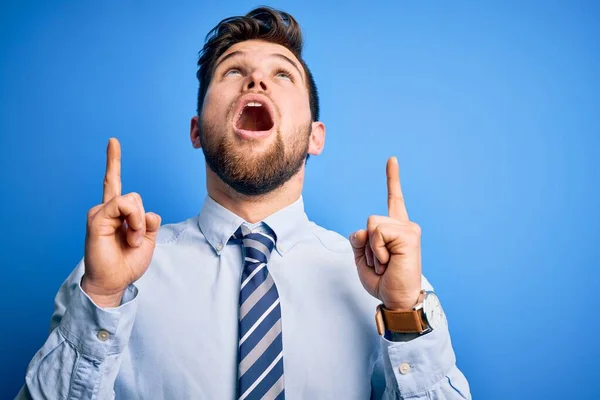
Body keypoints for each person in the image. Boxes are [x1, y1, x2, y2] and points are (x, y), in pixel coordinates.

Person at [17, 7, 470, 400]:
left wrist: (404, 312)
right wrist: (101, 297)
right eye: (233, 71)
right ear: (196, 130)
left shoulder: (388, 288)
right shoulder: (109, 276)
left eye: (282, 74)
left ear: (316, 135)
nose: (256, 78)